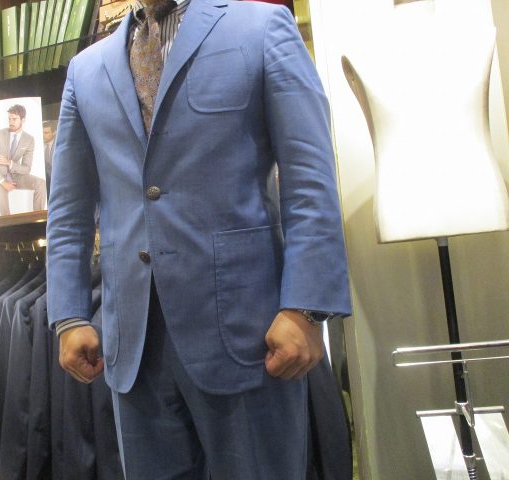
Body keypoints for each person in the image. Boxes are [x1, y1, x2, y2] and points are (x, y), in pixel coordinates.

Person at [47, 0, 352, 477]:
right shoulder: (86, 70)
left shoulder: (262, 28)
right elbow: (68, 208)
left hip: (249, 337)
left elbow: (309, 178)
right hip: (134, 348)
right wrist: (68, 315)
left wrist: (307, 308)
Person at [0, 104, 47, 215]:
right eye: (9, 119)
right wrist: (3, 182)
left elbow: (27, 168)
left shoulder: (29, 139)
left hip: (17, 176)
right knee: (5, 216)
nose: (11, 122)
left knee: (41, 183)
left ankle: (38, 217)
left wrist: (10, 163)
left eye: (14, 119)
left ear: (23, 120)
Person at [42, 120, 57, 198]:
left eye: (46, 133)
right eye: (42, 132)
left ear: (54, 132)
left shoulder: (59, 147)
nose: (43, 135)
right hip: (46, 188)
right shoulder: (39, 145)